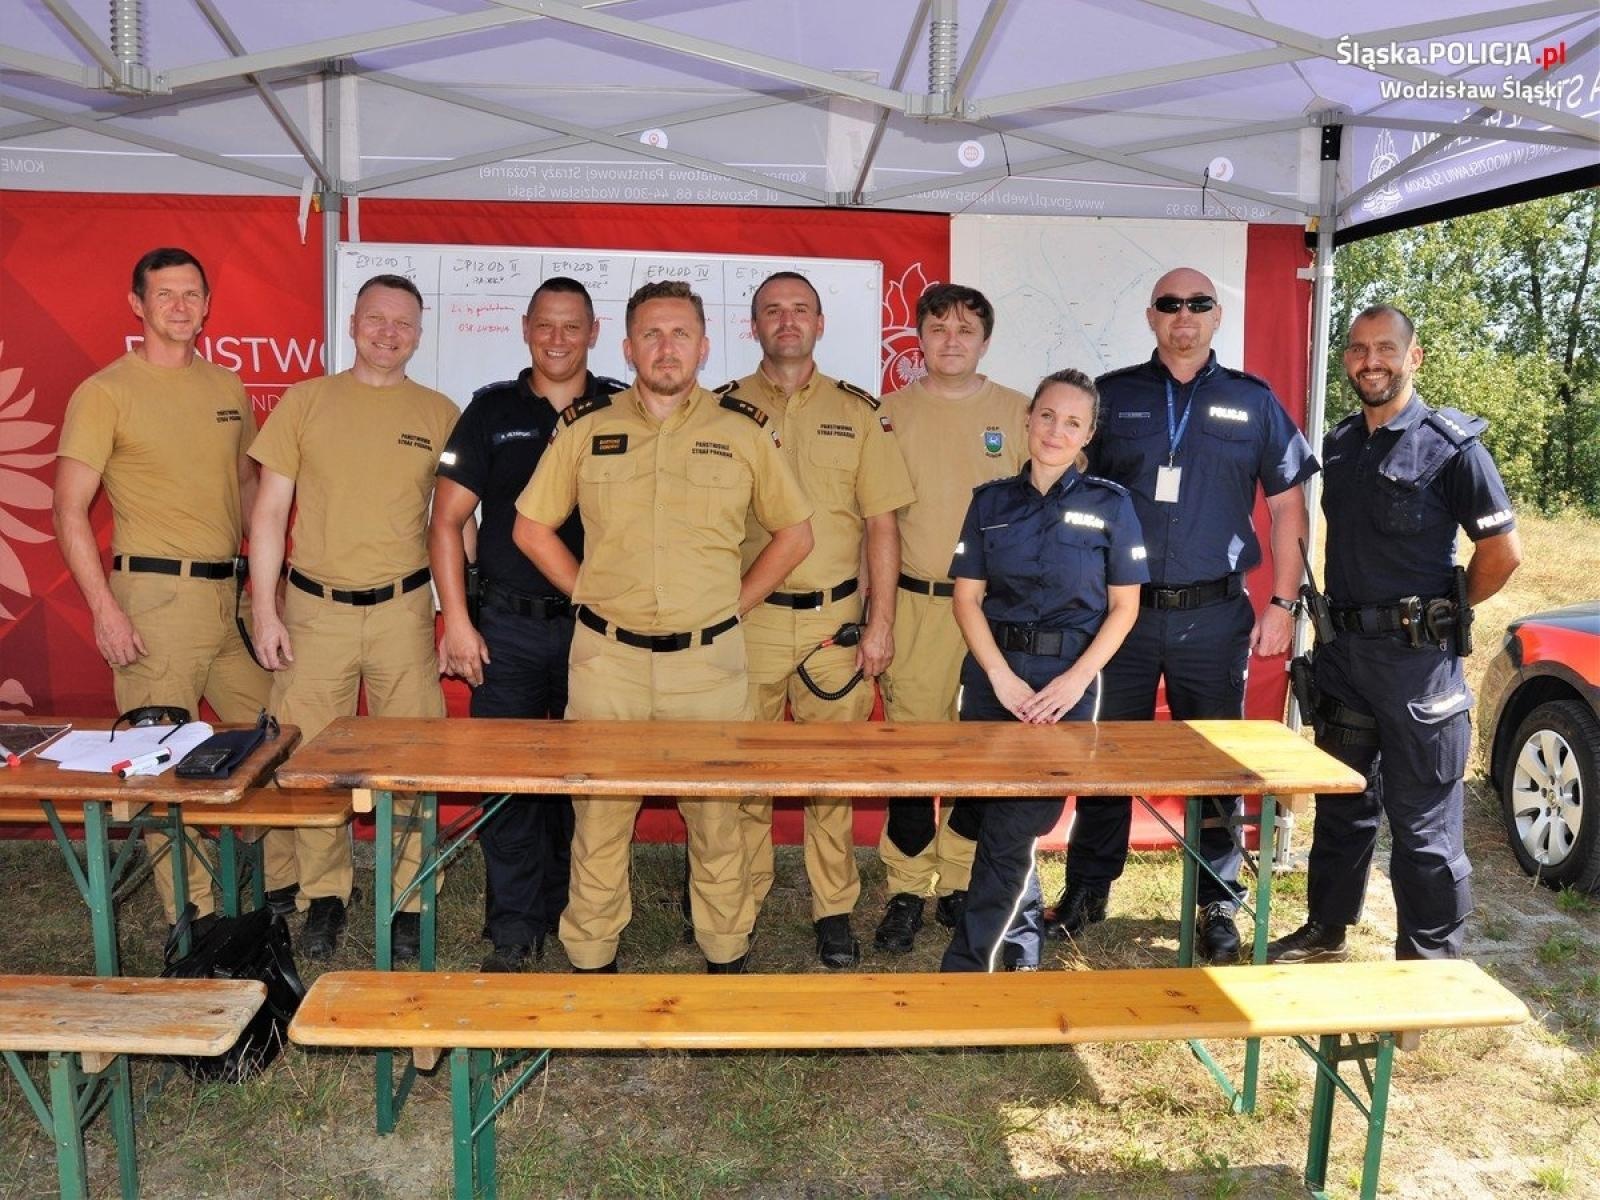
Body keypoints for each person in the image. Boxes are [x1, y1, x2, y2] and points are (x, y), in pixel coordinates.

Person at [513, 280, 813, 974]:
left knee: (717, 820)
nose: (666, 347)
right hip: (606, 662)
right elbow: (531, 527)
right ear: (626, 347)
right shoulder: (588, 428)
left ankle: (725, 952)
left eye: (680, 334)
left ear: (705, 347)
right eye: (651, 334)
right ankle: (590, 956)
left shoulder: (741, 431)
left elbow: (795, 534)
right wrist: (586, 590)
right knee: (600, 818)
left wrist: (736, 604)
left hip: (706, 666)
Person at [1045, 267, 1317, 963]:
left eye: (1198, 303)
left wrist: (1283, 604)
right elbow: (1073, 494)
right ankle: (1087, 890)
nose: (1184, 315)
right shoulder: (1115, 398)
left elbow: (1289, 507)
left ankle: (1216, 906)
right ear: (1152, 316)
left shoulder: (1253, 401)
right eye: (1170, 304)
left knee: (1215, 762)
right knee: (1107, 757)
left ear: (1217, 315)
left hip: (1213, 615)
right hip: (1123, 618)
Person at [1269, 305, 1521, 963]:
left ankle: (1428, 963)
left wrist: (1448, 609)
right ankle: (1327, 929)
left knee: (1423, 826)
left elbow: (1502, 551)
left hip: (1416, 668)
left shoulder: (1453, 447)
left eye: (1385, 348)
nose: (1369, 361)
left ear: (1414, 358)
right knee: (1344, 804)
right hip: (1345, 659)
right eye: (1357, 349)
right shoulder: (1343, 442)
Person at [53, 247, 272, 937]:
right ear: (137, 304)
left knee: (268, 741)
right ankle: (195, 918)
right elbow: (67, 509)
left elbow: (247, 490)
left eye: (192, 294)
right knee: (161, 762)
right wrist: (104, 608)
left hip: (229, 598)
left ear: (208, 306)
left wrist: (263, 590)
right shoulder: (105, 391)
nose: (180, 306)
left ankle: (272, 890)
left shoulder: (228, 387)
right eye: (166, 294)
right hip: (152, 598)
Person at [248, 273, 459, 961]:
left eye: (403, 322)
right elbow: (271, 512)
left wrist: (463, 611)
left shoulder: (440, 413)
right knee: (309, 758)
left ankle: (409, 896)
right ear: (352, 323)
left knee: (411, 757)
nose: (388, 332)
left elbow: (457, 523)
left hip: (402, 610)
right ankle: (324, 894)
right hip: (315, 610)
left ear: (419, 334)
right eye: (376, 318)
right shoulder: (305, 402)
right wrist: (264, 608)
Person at [430, 277, 623, 973]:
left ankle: (578, 911)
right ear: (525, 328)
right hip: (506, 628)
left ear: (594, 332)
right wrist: (457, 621)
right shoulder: (490, 412)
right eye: (546, 325)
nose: (558, 338)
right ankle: (513, 925)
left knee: (586, 780)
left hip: (597, 633)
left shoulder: (623, 409)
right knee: (509, 777)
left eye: (572, 326)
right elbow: (447, 523)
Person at [728, 271, 915, 969]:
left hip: (834, 624)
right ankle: (736, 906)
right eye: (772, 310)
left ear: (820, 323)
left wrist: (881, 623)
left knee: (829, 779)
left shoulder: (859, 413)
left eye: (800, 309)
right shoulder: (721, 410)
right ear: (753, 327)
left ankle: (833, 909)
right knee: (740, 775)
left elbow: (882, 526)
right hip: (747, 622)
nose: (787, 320)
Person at [941, 370, 1146, 973]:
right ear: (1028, 420)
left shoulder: (1112, 503)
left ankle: (966, 963)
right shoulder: (990, 501)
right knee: (1000, 822)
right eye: (1048, 416)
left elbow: (1125, 607)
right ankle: (1023, 948)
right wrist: (1000, 678)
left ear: (1089, 434)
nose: (1058, 431)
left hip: (1065, 684)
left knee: (1015, 824)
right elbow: (965, 598)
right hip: (992, 679)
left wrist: (1075, 681)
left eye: (1073, 422)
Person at [873, 283, 1030, 954]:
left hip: (999, 614)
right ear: (919, 336)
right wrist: (872, 616)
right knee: (914, 757)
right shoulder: (887, 414)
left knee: (983, 752)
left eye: (966, 329)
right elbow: (872, 524)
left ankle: (961, 877)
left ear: (985, 340)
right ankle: (907, 886)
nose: (952, 340)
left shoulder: (1024, 413)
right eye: (938, 328)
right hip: (917, 606)